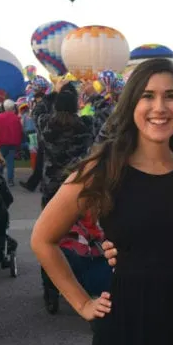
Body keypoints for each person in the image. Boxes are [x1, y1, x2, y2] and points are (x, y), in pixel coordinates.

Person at [32, 58, 173, 345]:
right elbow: (42, 239)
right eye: (147, 96)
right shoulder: (103, 168)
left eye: (170, 96)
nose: (159, 107)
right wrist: (82, 303)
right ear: (131, 105)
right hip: (130, 328)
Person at [34, 79, 97, 314]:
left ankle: (51, 290)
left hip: (51, 188)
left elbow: (37, 108)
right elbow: (107, 115)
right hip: (78, 188)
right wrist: (95, 96)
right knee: (84, 238)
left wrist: (52, 93)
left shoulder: (46, 125)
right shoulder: (85, 125)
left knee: (49, 239)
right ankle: (83, 285)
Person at [0, 100, 23, 186]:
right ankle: (10, 180)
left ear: (4, 107)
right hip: (13, 143)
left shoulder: (0, 117)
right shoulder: (16, 118)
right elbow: (19, 132)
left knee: (1, 160)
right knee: (10, 163)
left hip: (2, 142)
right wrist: (18, 144)